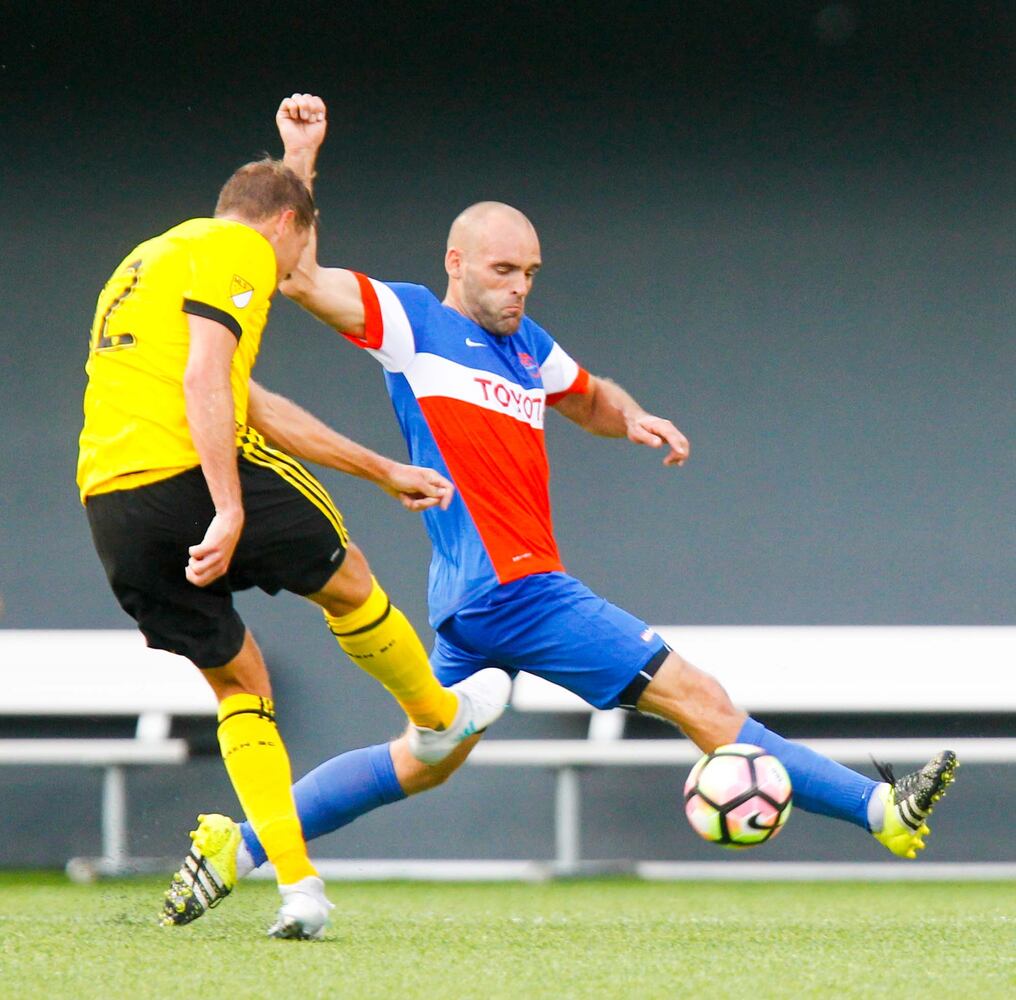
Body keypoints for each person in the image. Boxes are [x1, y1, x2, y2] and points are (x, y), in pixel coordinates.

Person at [166, 93, 958, 919]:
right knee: (701, 700)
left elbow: (586, 400)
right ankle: (880, 812)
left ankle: (243, 845)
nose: (518, 289)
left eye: (530, 274)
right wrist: (300, 160)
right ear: (457, 262)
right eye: (503, 271)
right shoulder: (411, 319)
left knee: (422, 757)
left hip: (475, 599)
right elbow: (291, 273)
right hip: (519, 590)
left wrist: (634, 418)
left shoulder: (527, 345)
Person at [78, 126, 510, 940]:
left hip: (111, 503)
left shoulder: (152, 260)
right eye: (298, 248)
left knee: (241, 685)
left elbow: (251, 398)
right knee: (346, 577)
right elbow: (209, 378)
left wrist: (383, 471)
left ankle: (299, 890)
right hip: (189, 472)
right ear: (286, 228)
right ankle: (436, 712)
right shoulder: (241, 249)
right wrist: (229, 505)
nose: (290, 278)